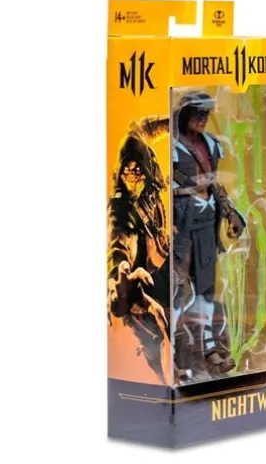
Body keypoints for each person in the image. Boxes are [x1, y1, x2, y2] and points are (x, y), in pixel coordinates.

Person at [172, 91, 247, 382]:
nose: (203, 118)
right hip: (180, 225)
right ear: (185, 114)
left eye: (206, 113)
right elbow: (168, 177)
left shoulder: (211, 144)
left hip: (206, 222)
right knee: (177, 290)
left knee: (205, 289)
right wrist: (188, 185)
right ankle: (170, 355)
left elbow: (214, 183)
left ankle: (209, 349)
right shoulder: (172, 146)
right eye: (198, 112)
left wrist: (230, 212)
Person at [107, 117, 171, 385]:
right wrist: (119, 273)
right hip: (144, 287)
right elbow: (118, 244)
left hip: (166, 269)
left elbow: (144, 129)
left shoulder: (152, 191)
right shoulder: (121, 209)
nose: (132, 174)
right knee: (155, 347)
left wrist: (175, 122)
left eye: (137, 168)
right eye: (127, 169)